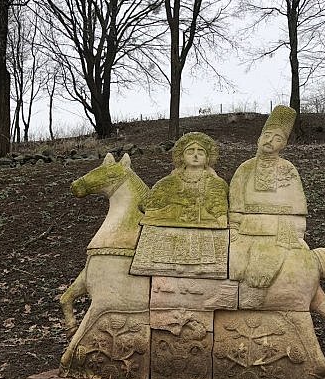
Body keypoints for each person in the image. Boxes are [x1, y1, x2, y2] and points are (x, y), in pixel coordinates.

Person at [229, 105, 308, 288]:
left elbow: (298, 209)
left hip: (281, 231)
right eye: (266, 136)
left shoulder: (288, 169)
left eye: (277, 138)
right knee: (236, 269)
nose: (270, 140)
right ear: (258, 139)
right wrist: (234, 228)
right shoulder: (245, 168)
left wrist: (296, 232)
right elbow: (236, 201)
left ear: (283, 145)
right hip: (246, 230)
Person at [131, 132, 229, 278]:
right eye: (190, 151)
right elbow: (150, 205)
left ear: (208, 158)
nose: (195, 155)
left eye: (200, 152)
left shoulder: (215, 183)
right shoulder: (167, 182)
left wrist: (219, 215)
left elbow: (218, 204)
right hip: (170, 227)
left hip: (205, 227)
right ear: (182, 157)